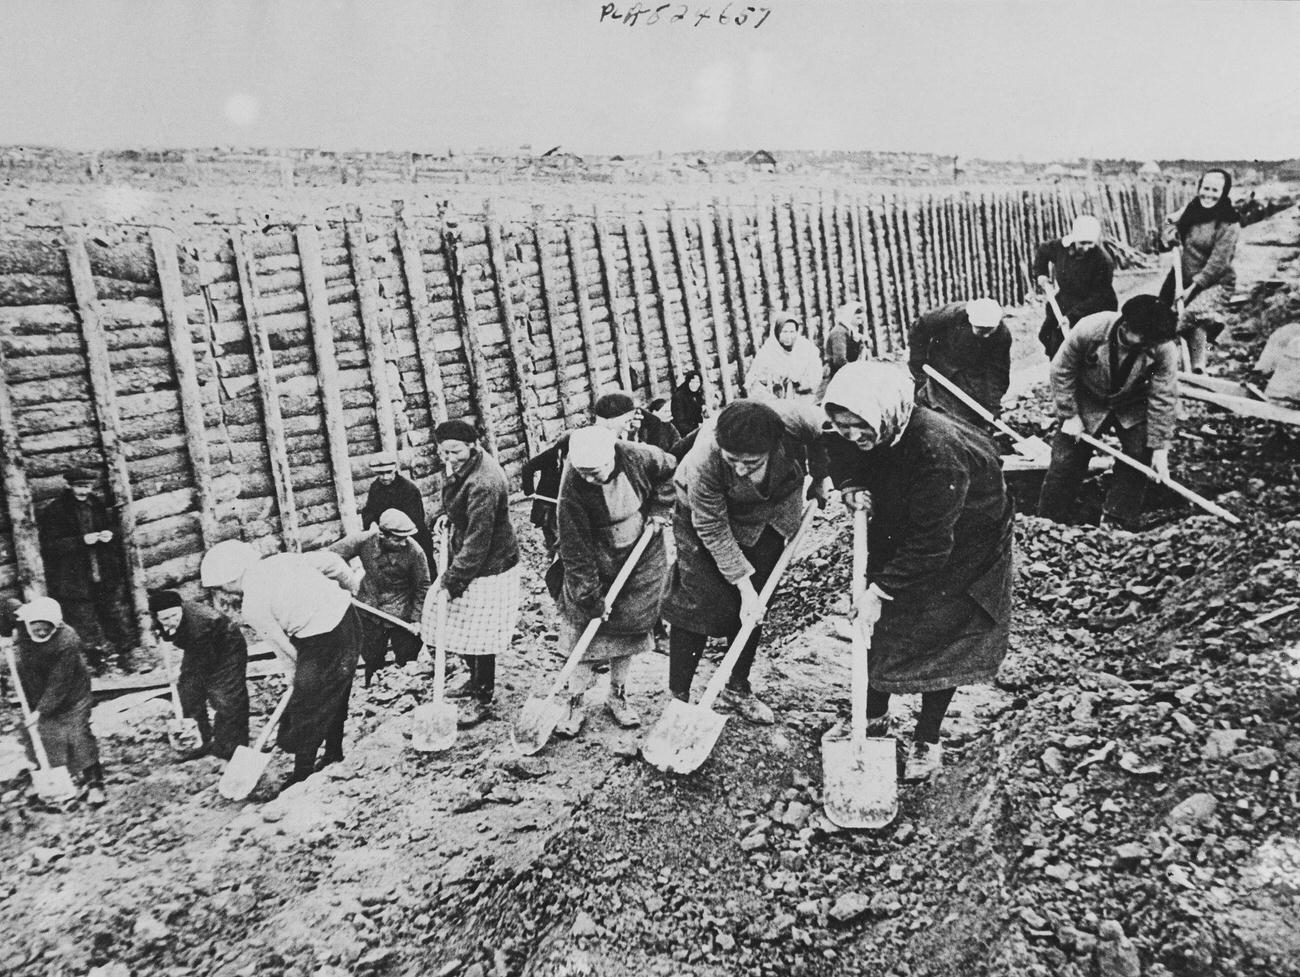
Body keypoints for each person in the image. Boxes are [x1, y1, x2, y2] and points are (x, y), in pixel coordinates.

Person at [821, 362, 1014, 781]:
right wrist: (851, 483)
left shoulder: (938, 451)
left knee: (941, 635)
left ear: (884, 414)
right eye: (844, 425)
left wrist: (879, 592)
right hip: (908, 519)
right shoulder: (865, 425)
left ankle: (927, 739)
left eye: (859, 426)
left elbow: (932, 543)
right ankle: (872, 719)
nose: (852, 435)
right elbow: (833, 445)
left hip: (967, 540)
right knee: (881, 626)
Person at [663, 399, 829, 724]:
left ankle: (736, 687)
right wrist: (743, 585)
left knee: (755, 609)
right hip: (704, 518)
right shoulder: (705, 460)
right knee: (695, 604)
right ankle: (678, 699)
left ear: (774, 445)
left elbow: (825, 438)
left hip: (772, 510)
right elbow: (712, 525)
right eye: (732, 460)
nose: (739, 469)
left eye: (750, 462)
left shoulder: (800, 420)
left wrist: (821, 477)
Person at [200, 539, 362, 787]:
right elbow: (332, 563)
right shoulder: (283, 560)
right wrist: (350, 589)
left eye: (220, 586)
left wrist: (296, 676)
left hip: (322, 638)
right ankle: (333, 753)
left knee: (307, 705)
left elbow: (283, 647)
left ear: (231, 581)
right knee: (336, 691)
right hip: (348, 620)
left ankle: (302, 773)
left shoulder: (252, 606)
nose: (222, 591)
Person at [552, 425, 676, 736]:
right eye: (584, 474)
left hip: (641, 553)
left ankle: (618, 696)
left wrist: (660, 509)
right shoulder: (572, 488)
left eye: (597, 472)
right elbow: (575, 549)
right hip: (596, 555)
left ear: (612, 456)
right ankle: (575, 701)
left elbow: (668, 471)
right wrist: (590, 596)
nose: (590, 480)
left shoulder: (638, 455)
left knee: (629, 627)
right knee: (583, 634)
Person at [1037, 295, 1180, 530]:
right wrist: (1070, 414)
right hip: (1088, 398)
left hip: (1132, 402)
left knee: (1139, 455)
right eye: (1145, 340)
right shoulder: (1090, 329)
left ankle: (1117, 521)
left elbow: (1163, 397)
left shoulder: (1162, 348)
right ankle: (1049, 522)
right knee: (1066, 458)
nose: (1151, 346)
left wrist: (1160, 448)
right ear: (1126, 327)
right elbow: (1061, 371)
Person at [422, 420, 521, 728]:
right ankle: (473, 677)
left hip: (491, 564)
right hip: (469, 553)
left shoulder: (485, 482)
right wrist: (445, 518)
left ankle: (483, 697)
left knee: (481, 634)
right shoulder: (464, 468)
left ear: (473, 446)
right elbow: (458, 508)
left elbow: (479, 541)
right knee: (454, 622)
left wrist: (453, 581)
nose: (449, 458)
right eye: (444, 452)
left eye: (455, 451)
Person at [37, 466, 135, 672]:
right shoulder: (56, 510)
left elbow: (113, 528)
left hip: (102, 571)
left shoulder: (96, 504)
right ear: (68, 485)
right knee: (84, 620)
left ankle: (125, 656)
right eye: (79, 487)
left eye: (87, 486)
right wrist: (81, 541)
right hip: (75, 577)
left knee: (113, 614)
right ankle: (96, 662)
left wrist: (110, 534)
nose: (84, 491)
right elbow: (50, 546)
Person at [10, 597, 106, 806]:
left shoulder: (67, 640)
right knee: (38, 734)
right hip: (36, 689)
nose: (42, 632)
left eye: (47, 628)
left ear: (56, 625)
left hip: (73, 693)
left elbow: (59, 681)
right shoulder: (22, 625)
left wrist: (40, 710)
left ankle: (94, 784)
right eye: (37, 628)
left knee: (77, 733)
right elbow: (6, 604)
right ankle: (46, 778)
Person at [521, 391, 642, 553]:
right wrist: (529, 491)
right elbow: (528, 467)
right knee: (563, 547)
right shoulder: (563, 450)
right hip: (550, 508)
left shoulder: (590, 453)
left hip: (567, 508)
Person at [330, 508, 431, 687]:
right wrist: (342, 582)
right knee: (372, 656)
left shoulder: (415, 551)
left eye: (405, 538)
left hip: (401, 611)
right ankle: (372, 688)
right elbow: (331, 557)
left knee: (407, 657)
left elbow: (422, 585)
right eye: (398, 538)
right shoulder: (365, 540)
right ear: (383, 535)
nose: (403, 543)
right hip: (369, 607)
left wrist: (416, 618)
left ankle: (405, 689)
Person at [148, 589, 250, 762]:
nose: (172, 621)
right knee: (188, 692)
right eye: (165, 619)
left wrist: (180, 672)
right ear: (157, 617)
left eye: (174, 615)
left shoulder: (201, 622)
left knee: (226, 697)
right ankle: (198, 741)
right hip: (198, 648)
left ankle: (230, 749)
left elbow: (202, 662)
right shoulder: (161, 620)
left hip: (227, 648)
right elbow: (177, 642)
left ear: (181, 608)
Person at [1159, 168, 1241, 373]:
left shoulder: (1229, 222)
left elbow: (1217, 263)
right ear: (1199, 187)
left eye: (1215, 190)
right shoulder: (1192, 209)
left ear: (1224, 192)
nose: (1209, 194)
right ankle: (1162, 363)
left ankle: (1198, 366)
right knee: (1159, 313)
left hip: (1216, 282)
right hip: (1183, 274)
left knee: (1192, 315)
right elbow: (1169, 224)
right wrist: (1170, 234)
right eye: (1205, 188)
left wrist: (1191, 289)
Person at [907, 298, 1011, 428]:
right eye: (980, 330)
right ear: (970, 320)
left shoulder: (1002, 335)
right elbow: (919, 329)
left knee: (973, 410)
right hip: (943, 361)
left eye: (989, 330)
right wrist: (918, 361)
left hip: (974, 368)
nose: (985, 336)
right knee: (937, 408)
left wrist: (993, 405)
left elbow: (998, 373)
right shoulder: (951, 315)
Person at [1032, 215, 1119, 359]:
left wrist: (1072, 317)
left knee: (1080, 344)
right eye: (1082, 243)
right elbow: (1043, 251)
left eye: (1090, 244)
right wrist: (1041, 274)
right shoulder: (1061, 248)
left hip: (1094, 306)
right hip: (1066, 299)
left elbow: (1100, 296)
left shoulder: (1103, 261)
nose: (1086, 248)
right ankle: (1059, 371)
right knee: (1047, 334)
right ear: (1074, 239)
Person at [360, 452, 435, 573]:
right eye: (381, 473)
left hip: (413, 537)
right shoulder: (375, 487)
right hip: (388, 538)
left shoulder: (408, 489)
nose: (385, 477)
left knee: (423, 570)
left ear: (395, 469)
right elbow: (369, 510)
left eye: (388, 472)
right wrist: (372, 523)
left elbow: (415, 519)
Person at [746, 309, 824, 404]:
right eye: (784, 332)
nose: (788, 336)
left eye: (792, 332)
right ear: (777, 332)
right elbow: (755, 383)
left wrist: (800, 383)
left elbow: (816, 377)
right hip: (776, 402)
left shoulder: (806, 349)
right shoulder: (768, 351)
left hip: (803, 398)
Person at [822, 301, 869, 382]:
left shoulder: (853, 332)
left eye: (861, 314)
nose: (860, 317)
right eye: (856, 314)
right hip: (836, 378)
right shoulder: (839, 333)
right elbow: (839, 361)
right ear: (849, 315)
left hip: (847, 374)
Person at [671, 371, 707, 437]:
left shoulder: (696, 395)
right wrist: (697, 429)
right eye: (692, 382)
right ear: (687, 382)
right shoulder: (679, 397)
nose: (695, 385)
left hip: (696, 429)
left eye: (697, 382)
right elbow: (680, 422)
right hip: (684, 433)